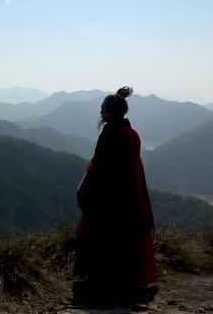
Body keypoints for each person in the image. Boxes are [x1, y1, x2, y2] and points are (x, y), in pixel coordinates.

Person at [73, 86, 157, 306]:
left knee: (103, 238)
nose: (100, 112)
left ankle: (103, 283)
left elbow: (99, 166)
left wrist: (85, 190)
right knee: (125, 239)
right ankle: (125, 282)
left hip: (108, 197)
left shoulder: (111, 133)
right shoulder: (131, 133)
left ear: (111, 112)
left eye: (103, 108)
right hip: (128, 197)